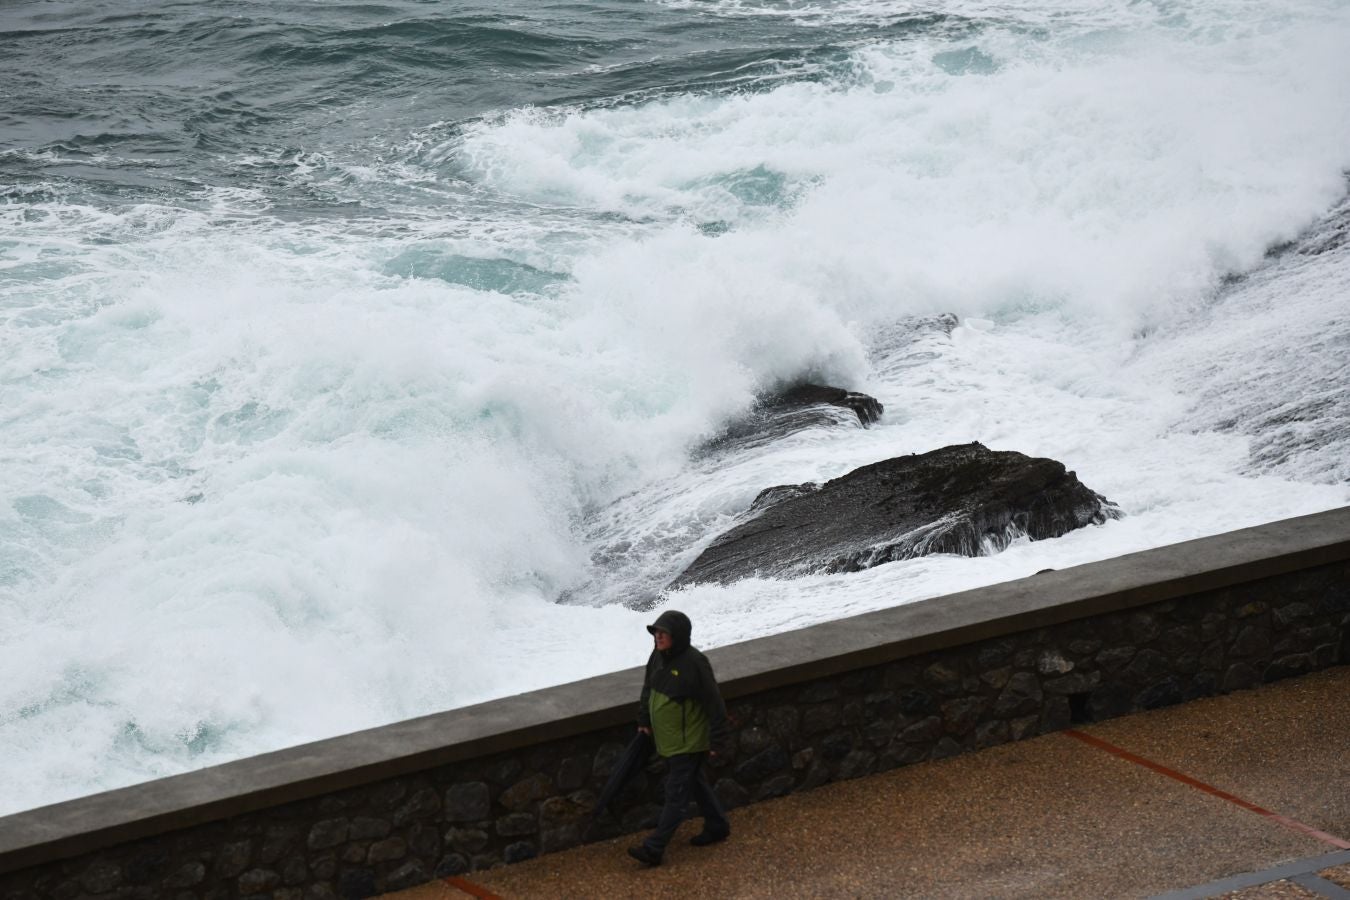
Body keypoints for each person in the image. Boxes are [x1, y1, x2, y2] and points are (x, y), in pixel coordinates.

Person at [627, 609, 732, 866]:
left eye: (664, 633)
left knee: (676, 793)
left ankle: (654, 848)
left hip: (689, 741)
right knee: (694, 782)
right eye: (656, 632)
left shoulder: (695, 662)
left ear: (679, 636)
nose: (658, 637)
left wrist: (717, 740)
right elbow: (648, 689)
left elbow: (714, 703)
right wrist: (644, 719)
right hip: (670, 740)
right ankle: (717, 825)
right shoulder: (658, 656)